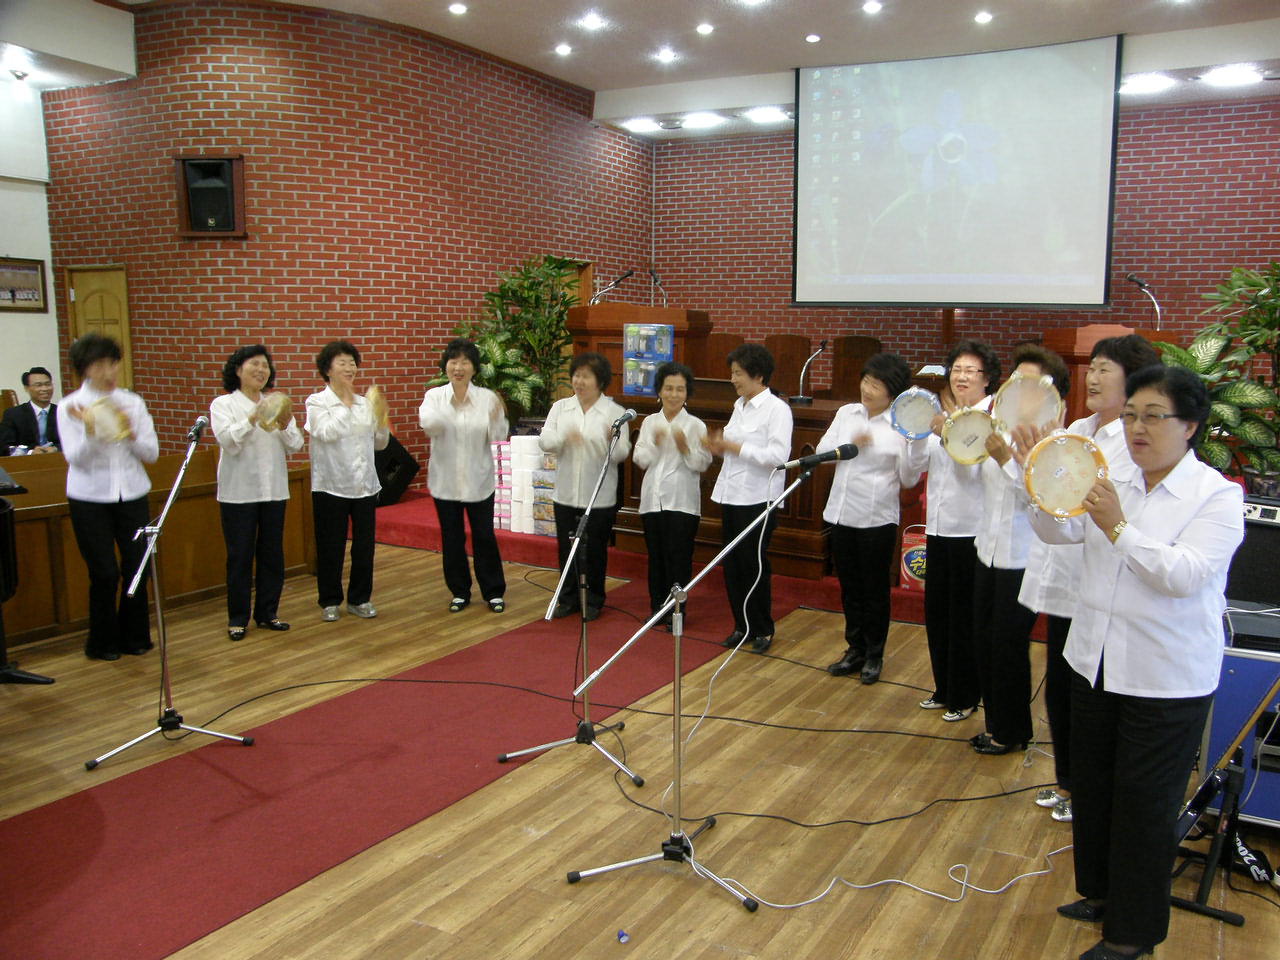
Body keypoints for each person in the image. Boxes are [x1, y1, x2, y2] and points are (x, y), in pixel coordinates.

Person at [1027, 364, 1243, 960]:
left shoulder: (1217, 497)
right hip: (1092, 661)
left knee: (1145, 808)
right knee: (1093, 791)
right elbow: (1060, 535)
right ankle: (1099, 894)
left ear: (1191, 425)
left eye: (1153, 417)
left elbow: (1183, 575)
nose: (1136, 429)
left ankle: (1131, 938)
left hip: (1164, 677)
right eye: (1129, 416)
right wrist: (1035, 486)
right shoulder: (1110, 470)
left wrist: (1117, 525)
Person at [1014, 335, 1160, 822]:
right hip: (1062, 571)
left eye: (1104, 369)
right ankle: (1068, 782)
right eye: (1091, 369)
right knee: (1060, 687)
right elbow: (1051, 497)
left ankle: (1088, 790)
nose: (1092, 378)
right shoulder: (1077, 428)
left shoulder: (1132, 443)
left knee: (1088, 694)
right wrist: (1026, 466)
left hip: (1100, 581)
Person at [967, 343, 1071, 756]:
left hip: (1023, 558)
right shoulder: (1001, 431)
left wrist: (1006, 462)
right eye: (1016, 380)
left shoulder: (1057, 440)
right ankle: (997, 724)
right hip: (988, 550)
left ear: (1051, 392)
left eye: (1031, 383)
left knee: (1008, 645)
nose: (1019, 389)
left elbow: (1042, 498)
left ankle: (1011, 730)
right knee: (985, 640)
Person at [819, 352, 926, 684]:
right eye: (866, 380)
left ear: (892, 392)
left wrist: (915, 443)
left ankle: (874, 654)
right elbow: (822, 454)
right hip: (840, 513)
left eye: (877, 385)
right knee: (849, 587)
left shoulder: (900, 426)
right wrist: (851, 443)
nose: (867, 389)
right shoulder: (847, 413)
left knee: (874, 590)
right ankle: (854, 648)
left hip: (876, 519)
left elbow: (909, 479)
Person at [57, 333, 158, 661]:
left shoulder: (133, 402)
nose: (109, 370)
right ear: (85, 368)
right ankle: (101, 642)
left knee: (136, 567)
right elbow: (76, 458)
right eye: (100, 364)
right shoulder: (71, 406)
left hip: (131, 492)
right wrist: (92, 431)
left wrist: (128, 433)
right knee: (103, 571)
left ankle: (135, 637)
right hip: (89, 497)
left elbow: (151, 453)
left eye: (113, 363)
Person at [919, 339, 1000, 720]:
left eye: (971, 371)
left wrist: (945, 432)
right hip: (938, 525)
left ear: (987, 379)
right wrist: (923, 430)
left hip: (971, 529)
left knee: (965, 617)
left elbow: (975, 466)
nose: (962, 377)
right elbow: (922, 462)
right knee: (937, 612)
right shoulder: (944, 414)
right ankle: (943, 687)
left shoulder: (991, 417)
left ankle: (966, 695)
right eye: (956, 371)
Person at [210, 344, 303, 641]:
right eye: (254, 365)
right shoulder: (223, 405)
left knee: (272, 554)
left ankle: (268, 612)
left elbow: (295, 445)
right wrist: (253, 417)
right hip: (239, 493)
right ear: (238, 370)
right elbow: (229, 442)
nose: (261, 371)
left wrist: (286, 421)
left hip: (274, 490)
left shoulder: (276, 402)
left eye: (265, 366)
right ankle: (237, 618)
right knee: (239, 556)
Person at [706, 343, 793, 654]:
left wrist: (736, 448)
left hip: (759, 498)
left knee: (753, 564)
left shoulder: (777, 410)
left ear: (758, 375)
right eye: (732, 373)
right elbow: (730, 442)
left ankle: (761, 628)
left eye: (738, 374)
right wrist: (718, 445)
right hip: (731, 493)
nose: (733, 379)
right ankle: (740, 625)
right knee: (732, 565)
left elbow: (778, 456)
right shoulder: (739, 405)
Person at [419, 338, 508, 614]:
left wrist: (495, 417)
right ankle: (459, 591)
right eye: (453, 362)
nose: (458, 367)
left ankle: (493, 591)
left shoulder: (486, 398)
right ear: (446, 365)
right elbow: (429, 425)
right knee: (452, 537)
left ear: (474, 368)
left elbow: (498, 435)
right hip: (445, 482)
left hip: (478, 479)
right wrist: (452, 405)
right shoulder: (434, 397)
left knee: (484, 535)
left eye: (465, 362)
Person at [540, 352, 631, 621]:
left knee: (595, 550)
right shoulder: (560, 408)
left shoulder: (615, 413)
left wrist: (607, 440)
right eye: (576, 375)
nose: (579, 381)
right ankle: (567, 598)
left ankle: (593, 599)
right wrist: (562, 438)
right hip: (565, 492)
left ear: (600, 381)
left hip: (598, 495)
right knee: (565, 549)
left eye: (586, 376)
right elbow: (544, 440)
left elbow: (622, 453)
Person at [304, 340, 389, 622]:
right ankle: (329, 600)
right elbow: (325, 432)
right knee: (331, 545)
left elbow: (379, 444)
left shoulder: (366, 403)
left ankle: (360, 598)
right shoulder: (317, 402)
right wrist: (346, 404)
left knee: (364, 546)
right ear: (327, 369)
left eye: (353, 363)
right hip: (331, 485)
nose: (350, 368)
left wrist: (381, 420)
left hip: (364, 484)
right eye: (342, 363)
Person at [632, 361, 711, 627]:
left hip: (683, 503)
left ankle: (677, 612)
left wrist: (685, 448)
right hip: (652, 501)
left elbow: (702, 464)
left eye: (680, 389)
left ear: (687, 392)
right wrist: (654, 444)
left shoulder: (696, 425)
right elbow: (640, 459)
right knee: (656, 558)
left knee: (678, 559)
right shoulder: (649, 422)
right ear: (659, 391)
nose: (674, 394)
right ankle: (657, 608)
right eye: (669, 388)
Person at [1, 366, 60, 453]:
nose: (44, 389)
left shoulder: (62, 412)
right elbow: (4, 446)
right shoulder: (13, 415)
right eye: (38, 385)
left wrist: (56, 449)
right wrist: (30, 452)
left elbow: (74, 441)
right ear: (26, 388)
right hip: (25, 463)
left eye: (48, 384)